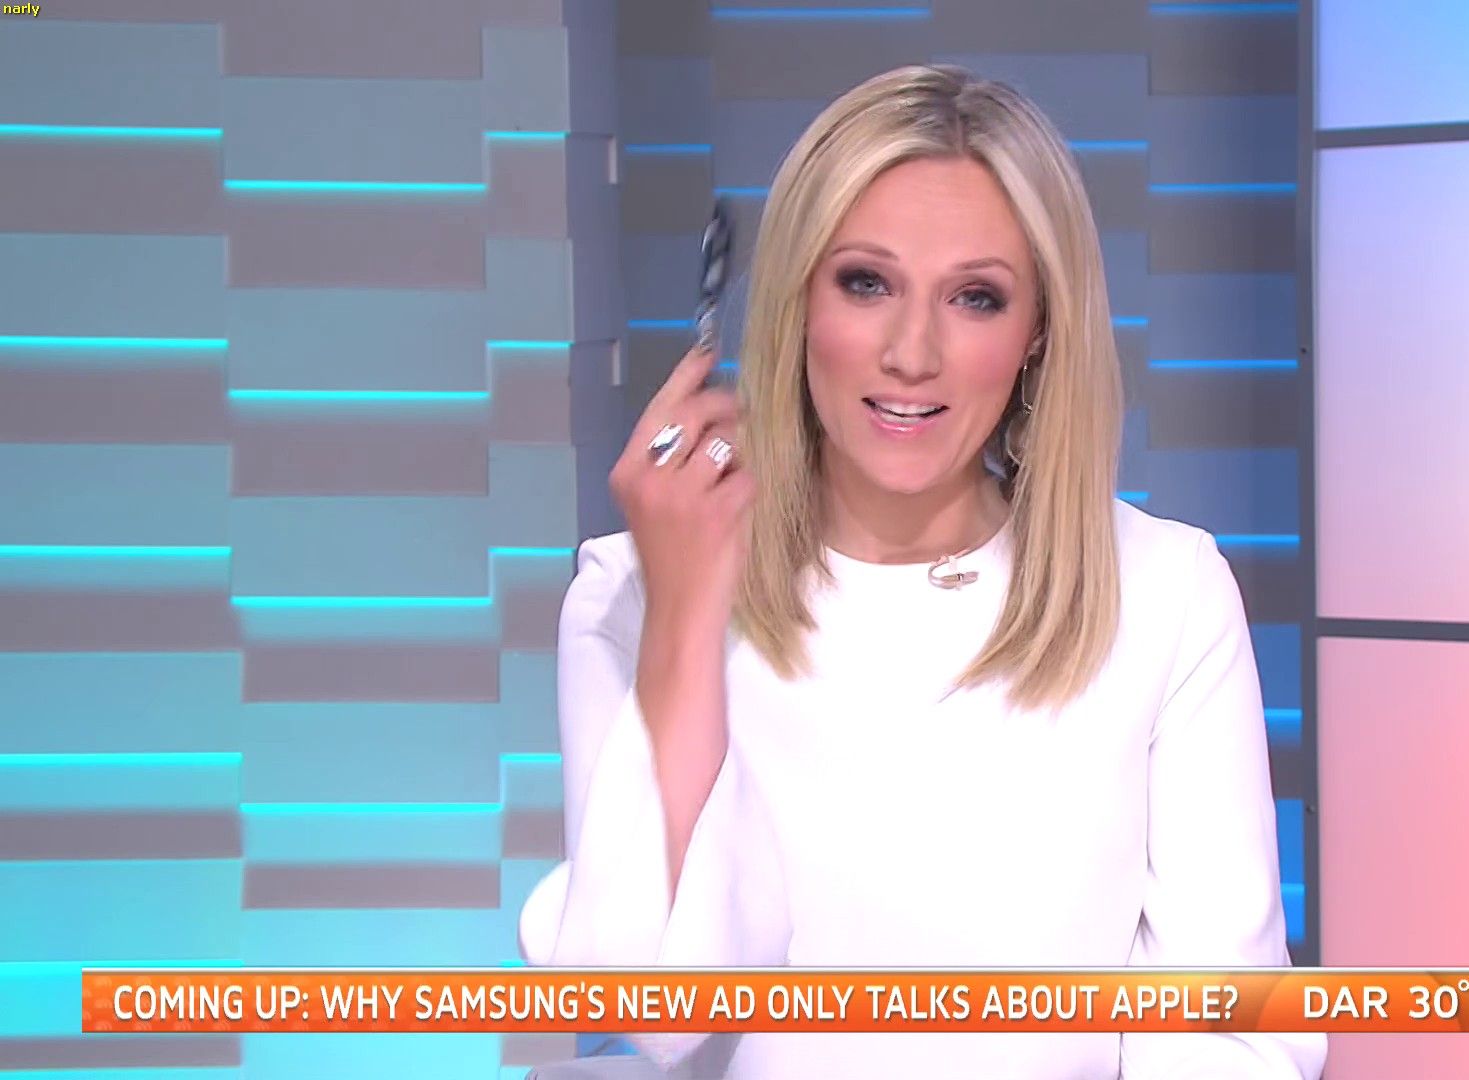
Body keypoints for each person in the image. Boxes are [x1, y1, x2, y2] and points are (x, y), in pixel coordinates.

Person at [518, 64, 1326, 1080]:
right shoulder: (630, 595)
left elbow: (1226, 1033)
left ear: (1038, 331)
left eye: (976, 298)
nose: (912, 352)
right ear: (799, 302)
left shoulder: (1165, 594)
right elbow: (648, 1013)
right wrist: (684, 618)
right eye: (867, 283)